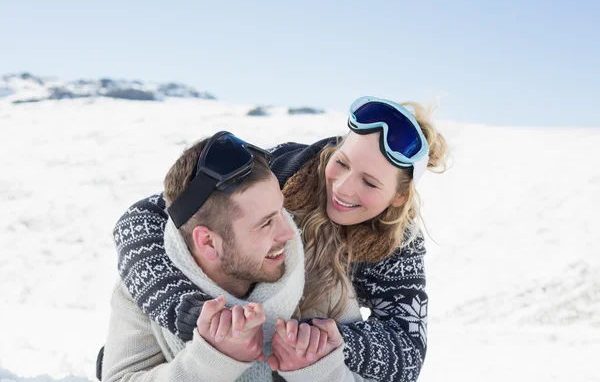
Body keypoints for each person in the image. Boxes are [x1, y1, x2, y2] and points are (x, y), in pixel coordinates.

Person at [111, 96, 450, 381]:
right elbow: (153, 216)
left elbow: (406, 349)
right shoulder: (286, 168)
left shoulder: (395, 245)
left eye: (371, 183)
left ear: (398, 198)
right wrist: (189, 315)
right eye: (342, 162)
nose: (344, 187)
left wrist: (324, 342)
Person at [101, 131, 362, 381]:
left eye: (281, 211)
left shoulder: (322, 273)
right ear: (208, 242)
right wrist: (211, 361)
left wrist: (321, 373)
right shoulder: (146, 285)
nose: (289, 233)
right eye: (265, 223)